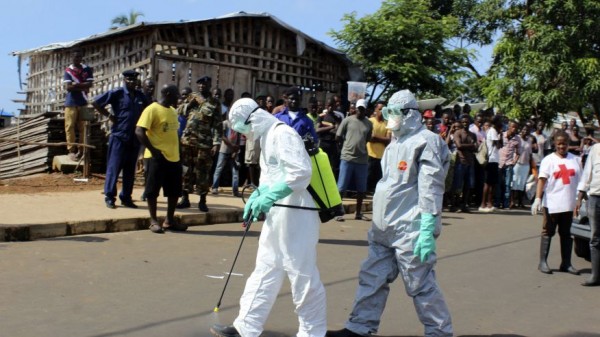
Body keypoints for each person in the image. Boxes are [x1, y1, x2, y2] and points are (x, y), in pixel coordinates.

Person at [326, 89, 453, 337]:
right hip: (384, 227)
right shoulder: (396, 142)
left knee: (420, 284)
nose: (389, 118)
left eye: (393, 113)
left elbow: (431, 188)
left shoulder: (426, 141)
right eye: (387, 112)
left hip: (411, 228)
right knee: (372, 278)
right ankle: (359, 327)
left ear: (408, 114)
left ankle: (439, 332)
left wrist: (427, 227)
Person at [210, 98, 326, 337]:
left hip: (296, 214)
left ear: (254, 118)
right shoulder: (266, 137)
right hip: (278, 213)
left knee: (301, 274)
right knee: (265, 268)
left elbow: (301, 173)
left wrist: (270, 195)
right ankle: (246, 326)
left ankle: (312, 332)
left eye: (244, 128)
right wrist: (258, 196)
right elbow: (272, 176)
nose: (245, 134)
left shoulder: (283, 134)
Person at [135, 84, 187, 234]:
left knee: (174, 191)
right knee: (152, 190)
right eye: (177, 94)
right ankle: (153, 221)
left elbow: (174, 134)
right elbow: (139, 131)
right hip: (156, 157)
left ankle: (169, 221)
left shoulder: (172, 111)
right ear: (169, 94)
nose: (179, 97)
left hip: (174, 157)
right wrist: (153, 150)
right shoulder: (152, 109)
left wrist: (180, 153)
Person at [93, 70, 149, 209]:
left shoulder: (141, 96)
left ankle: (126, 197)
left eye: (134, 80)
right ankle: (110, 196)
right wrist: (109, 116)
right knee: (114, 167)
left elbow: (150, 109)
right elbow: (96, 103)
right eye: (129, 79)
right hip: (119, 136)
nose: (132, 82)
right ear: (124, 80)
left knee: (130, 170)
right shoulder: (117, 93)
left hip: (134, 138)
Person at [531, 131, 581, 275]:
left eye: (564, 143)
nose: (561, 146)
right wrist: (538, 198)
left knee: (566, 234)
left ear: (568, 144)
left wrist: (579, 199)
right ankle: (542, 262)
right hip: (552, 203)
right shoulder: (549, 160)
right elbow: (542, 179)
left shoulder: (575, 160)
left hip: (568, 203)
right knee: (548, 231)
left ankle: (566, 263)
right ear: (554, 144)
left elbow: (580, 180)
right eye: (558, 143)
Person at [178, 76, 223, 212]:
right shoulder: (191, 97)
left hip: (204, 143)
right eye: (200, 84)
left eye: (205, 84)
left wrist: (216, 143)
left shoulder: (215, 103)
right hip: (187, 141)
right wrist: (188, 105)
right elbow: (178, 110)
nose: (202, 86)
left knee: (203, 172)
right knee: (186, 170)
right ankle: (185, 198)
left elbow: (217, 125)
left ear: (209, 85)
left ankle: (202, 200)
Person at [335, 98, 373, 221]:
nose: (360, 111)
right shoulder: (347, 120)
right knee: (341, 187)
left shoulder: (368, 124)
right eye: (358, 108)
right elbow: (338, 136)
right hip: (347, 157)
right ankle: (338, 213)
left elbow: (367, 139)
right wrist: (343, 148)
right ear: (355, 108)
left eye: (362, 109)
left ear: (365, 110)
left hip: (362, 160)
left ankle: (358, 213)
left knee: (361, 189)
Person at [576, 142, 600, 286]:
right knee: (595, 238)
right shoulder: (595, 149)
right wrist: (579, 197)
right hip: (595, 198)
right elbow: (587, 174)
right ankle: (595, 276)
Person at [63, 49, 94, 161]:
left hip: (84, 102)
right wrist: (82, 85)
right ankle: (71, 150)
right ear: (72, 58)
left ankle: (82, 150)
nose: (77, 59)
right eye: (75, 57)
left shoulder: (87, 69)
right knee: (69, 126)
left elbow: (90, 84)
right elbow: (68, 87)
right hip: (70, 102)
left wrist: (75, 84)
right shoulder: (68, 70)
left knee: (83, 127)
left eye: (79, 57)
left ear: (82, 58)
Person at [451, 114, 478, 212]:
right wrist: (471, 145)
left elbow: (476, 148)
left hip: (470, 162)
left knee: (468, 185)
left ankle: (464, 205)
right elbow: (459, 146)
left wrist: (467, 146)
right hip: (460, 162)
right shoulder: (458, 133)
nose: (465, 124)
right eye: (463, 122)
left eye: (467, 122)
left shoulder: (472, 134)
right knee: (457, 184)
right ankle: (453, 204)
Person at [479, 115, 503, 213]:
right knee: (488, 183)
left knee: (492, 183)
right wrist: (499, 135)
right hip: (491, 160)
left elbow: (500, 145)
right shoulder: (493, 131)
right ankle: (483, 204)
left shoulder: (494, 131)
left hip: (494, 160)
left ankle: (490, 204)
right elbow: (498, 145)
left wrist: (500, 135)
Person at [366, 101, 390, 193]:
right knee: (368, 176)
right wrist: (382, 139)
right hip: (369, 153)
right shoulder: (370, 121)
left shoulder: (387, 123)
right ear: (375, 109)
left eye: (384, 109)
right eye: (379, 109)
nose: (381, 111)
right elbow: (370, 138)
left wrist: (376, 138)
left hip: (381, 156)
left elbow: (388, 140)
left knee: (377, 179)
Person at [317, 97, 343, 179]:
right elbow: (317, 130)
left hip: (333, 144)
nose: (330, 107)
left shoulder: (338, 117)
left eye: (332, 105)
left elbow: (338, 131)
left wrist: (325, 129)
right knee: (321, 165)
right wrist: (331, 127)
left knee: (333, 167)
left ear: (335, 106)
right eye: (329, 105)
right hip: (323, 143)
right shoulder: (321, 116)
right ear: (326, 106)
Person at [512, 125, 534, 208]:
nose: (525, 131)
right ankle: (512, 202)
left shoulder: (529, 140)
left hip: (526, 164)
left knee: (522, 184)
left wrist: (531, 166)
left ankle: (520, 203)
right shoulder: (517, 138)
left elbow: (530, 154)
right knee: (514, 182)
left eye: (527, 130)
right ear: (521, 130)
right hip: (517, 163)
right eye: (524, 129)